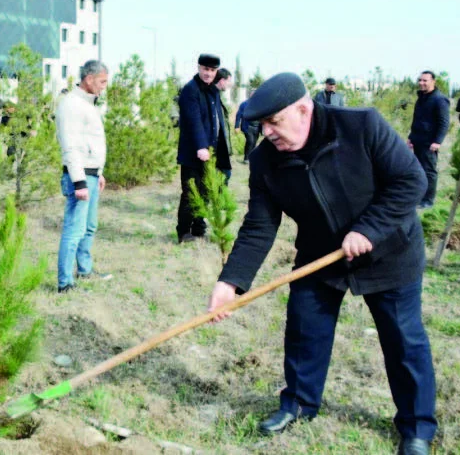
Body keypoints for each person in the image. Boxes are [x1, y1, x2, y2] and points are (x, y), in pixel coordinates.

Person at [207, 73, 436, 455]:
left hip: (389, 251)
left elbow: (410, 182)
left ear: (303, 109)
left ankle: (417, 427)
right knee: (304, 330)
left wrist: (369, 229)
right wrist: (230, 282)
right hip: (320, 257)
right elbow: (260, 225)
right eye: (260, 125)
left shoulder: (362, 126)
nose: (267, 133)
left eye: (274, 122)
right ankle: (298, 403)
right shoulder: (265, 161)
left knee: (403, 340)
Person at [56, 60, 111, 293]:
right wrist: (79, 181)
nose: (104, 87)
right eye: (102, 82)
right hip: (79, 177)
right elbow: (71, 146)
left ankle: (85, 269)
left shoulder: (88, 104)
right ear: (88, 79)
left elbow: (91, 142)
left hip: (90, 175)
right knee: (75, 229)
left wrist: (97, 173)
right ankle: (65, 283)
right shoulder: (71, 104)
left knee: (89, 227)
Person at [176, 53, 222, 243]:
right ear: (199, 68)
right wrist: (201, 146)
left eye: (212, 70)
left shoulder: (213, 91)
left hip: (209, 153)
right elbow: (194, 121)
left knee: (205, 192)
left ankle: (199, 229)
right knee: (190, 192)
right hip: (193, 152)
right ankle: (184, 232)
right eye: (205, 69)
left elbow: (215, 121)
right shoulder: (190, 90)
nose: (208, 73)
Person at [407, 71, 450, 209]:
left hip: (429, 143)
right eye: (420, 80)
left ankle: (428, 200)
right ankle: (419, 198)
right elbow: (417, 120)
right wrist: (411, 137)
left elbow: (444, 122)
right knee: (418, 171)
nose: (421, 83)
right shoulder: (421, 98)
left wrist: (437, 141)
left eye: (425, 80)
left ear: (433, 82)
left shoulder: (439, 99)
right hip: (418, 140)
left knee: (429, 172)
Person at [213, 68, 234, 182]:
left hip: (221, 146)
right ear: (221, 80)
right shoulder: (211, 96)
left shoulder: (218, 96)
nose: (230, 84)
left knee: (225, 174)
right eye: (228, 81)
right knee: (224, 174)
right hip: (215, 146)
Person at [235, 88, 261, 162]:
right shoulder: (244, 104)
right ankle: (246, 158)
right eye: (252, 94)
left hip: (257, 127)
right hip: (247, 127)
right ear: (250, 95)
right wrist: (237, 126)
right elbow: (238, 115)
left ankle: (251, 158)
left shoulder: (260, 104)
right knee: (250, 141)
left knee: (254, 143)